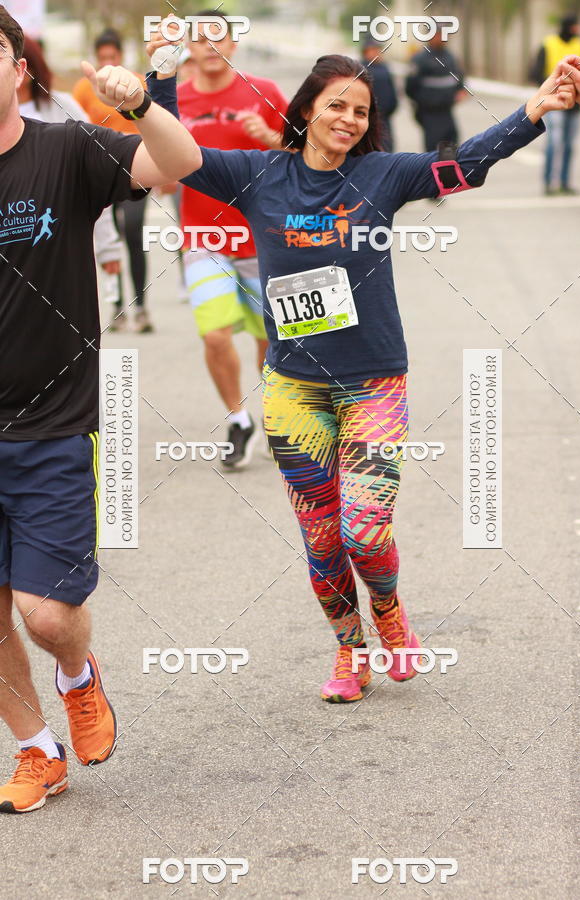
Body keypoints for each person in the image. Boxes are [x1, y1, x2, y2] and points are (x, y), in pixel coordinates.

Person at [148, 22, 575, 702]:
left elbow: (464, 165)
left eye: (362, 110)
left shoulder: (384, 173)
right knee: (321, 543)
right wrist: (160, 80)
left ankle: (389, 612)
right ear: (308, 109)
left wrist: (531, 112)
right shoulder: (259, 175)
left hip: (374, 380)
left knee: (364, 530)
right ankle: (350, 654)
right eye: (337, 105)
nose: (349, 119)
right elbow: (175, 155)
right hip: (293, 390)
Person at [0, 5, 200, 812]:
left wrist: (145, 101)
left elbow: (178, 161)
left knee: (46, 613)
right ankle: (34, 748)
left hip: (49, 425)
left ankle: (78, 675)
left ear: (19, 69)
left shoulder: (64, 149)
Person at [170, 10, 288, 470]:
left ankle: (277, 413)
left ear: (234, 44)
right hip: (203, 239)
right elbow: (157, 159)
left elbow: (306, 152)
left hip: (264, 238)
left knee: (271, 338)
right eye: (201, 38)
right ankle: (239, 419)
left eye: (220, 38)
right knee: (216, 335)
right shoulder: (174, 99)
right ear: (190, 47)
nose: (211, 46)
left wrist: (272, 138)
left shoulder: (266, 93)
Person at [17, 34, 123, 286]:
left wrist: (108, 246)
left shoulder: (63, 107)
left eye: (22, 63)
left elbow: (95, 172)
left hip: (59, 243)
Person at [73, 28, 153, 333]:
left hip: (135, 170)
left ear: (120, 56)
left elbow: (151, 123)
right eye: (102, 56)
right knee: (110, 239)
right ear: (97, 57)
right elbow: (77, 129)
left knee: (133, 233)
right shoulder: (84, 89)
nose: (107, 61)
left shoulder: (136, 82)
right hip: (99, 173)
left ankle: (142, 307)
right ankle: (118, 306)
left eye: (112, 56)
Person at [531, 13, 580, 195]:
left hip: (575, 103)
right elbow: (535, 73)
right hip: (554, 103)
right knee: (554, 143)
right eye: (574, 26)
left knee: (569, 145)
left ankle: (564, 182)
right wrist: (554, 88)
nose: (577, 30)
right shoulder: (548, 43)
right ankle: (548, 183)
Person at [405, 26, 467, 152]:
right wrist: (423, 101)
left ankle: (448, 171)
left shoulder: (451, 57)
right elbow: (410, 86)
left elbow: (459, 77)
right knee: (433, 152)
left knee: (451, 148)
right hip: (429, 113)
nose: (441, 38)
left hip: (447, 111)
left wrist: (461, 91)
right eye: (438, 35)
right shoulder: (420, 59)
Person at [360, 37, 398, 152]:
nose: (377, 53)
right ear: (365, 51)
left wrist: (392, 106)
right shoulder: (359, 69)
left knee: (387, 148)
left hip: (384, 118)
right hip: (368, 119)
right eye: (373, 50)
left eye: (378, 50)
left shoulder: (385, 67)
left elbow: (392, 90)